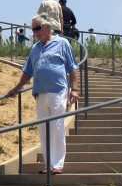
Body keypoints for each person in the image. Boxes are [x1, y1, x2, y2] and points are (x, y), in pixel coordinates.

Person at [7, 15, 80, 174]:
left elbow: (72, 67)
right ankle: (48, 164)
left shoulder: (62, 43)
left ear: (48, 27)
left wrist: (74, 89)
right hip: (40, 93)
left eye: (38, 28)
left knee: (57, 127)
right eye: (33, 29)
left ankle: (57, 164)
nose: (35, 32)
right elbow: (28, 71)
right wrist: (17, 88)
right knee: (44, 129)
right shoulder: (35, 48)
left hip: (58, 91)